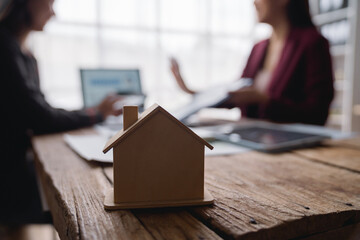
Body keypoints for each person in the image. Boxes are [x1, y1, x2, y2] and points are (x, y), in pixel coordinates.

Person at [0, 0, 122, 225]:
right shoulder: (5, 48)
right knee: (90, 196)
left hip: (14, 170)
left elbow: (41, 110)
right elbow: (40, 117)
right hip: (9, 186)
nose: (53, 13)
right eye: (49, 4)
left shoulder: (19, 51)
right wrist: (96, 114)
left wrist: (94, 112)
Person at [170, 0, 334, 126]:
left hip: (293, 147)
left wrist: (264, 101)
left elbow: (317, 113)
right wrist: (193, 92)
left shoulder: (313, 43)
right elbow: (238, 94)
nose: (254, 2)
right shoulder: (259, 47)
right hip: (253, 141)